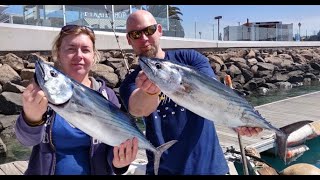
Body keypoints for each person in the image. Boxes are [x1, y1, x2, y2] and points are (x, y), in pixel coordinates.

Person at [119, 10, 263, 175]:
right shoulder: (131, 81)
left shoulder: (190, 59)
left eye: (149, 30)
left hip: (209, 168)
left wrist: (237, 122)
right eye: (136, 34)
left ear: (159, 30)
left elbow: (214, 93)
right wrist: (149, 92)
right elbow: (138, 109)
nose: (144, 38)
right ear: (129, 40)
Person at [14, 24, 138, 175]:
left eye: (85, 50)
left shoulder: (107, 96)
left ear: (93, 56)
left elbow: (114, 146)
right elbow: (26, 140)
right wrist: (31, 119)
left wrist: (119, 163)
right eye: (71, 49)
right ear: (58, 54)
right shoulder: (43, 94)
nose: (79, 55)